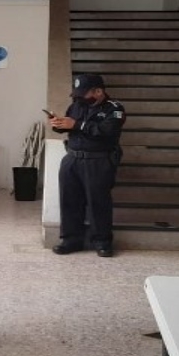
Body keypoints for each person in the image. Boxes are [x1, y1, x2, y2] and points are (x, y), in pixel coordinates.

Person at [49, 73, 126, 258]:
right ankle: (71, 240)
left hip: (98, 161)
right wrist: (58, 124)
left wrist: (77, 124)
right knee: (69, 201)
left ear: (98, 91)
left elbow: (106, 131)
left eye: (84, 93)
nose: (79, 96)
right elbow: (70, 127)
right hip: (72, 159)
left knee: (98, 202)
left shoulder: (114, 109)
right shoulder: (76, 106)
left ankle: (102, 242)